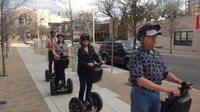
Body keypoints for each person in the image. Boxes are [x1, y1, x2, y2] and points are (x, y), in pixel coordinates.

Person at [129, 24, 192, 112]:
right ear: (141, 38)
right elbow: (140, 80)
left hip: (156, 94)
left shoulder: (156, 54)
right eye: (151, 36)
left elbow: (165, 73)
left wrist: (180, 82)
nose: (154, 38)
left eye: (155, 36)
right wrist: (169, 89)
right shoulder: (136, 54)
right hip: (141, 95)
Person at [77, 33, 103, 109]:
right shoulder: (80, 50)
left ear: (89, 41)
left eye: (87, 39)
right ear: (81, 41)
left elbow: (95, 55)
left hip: (90, 71)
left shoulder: (91, 47)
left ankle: (88, 99)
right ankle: (80, 101)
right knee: (82, 87)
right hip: (82, 72)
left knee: (89, 87)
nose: (86, 41)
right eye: (84, 40)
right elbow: (80, 61)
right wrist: (87, 63)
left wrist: (100, 61)